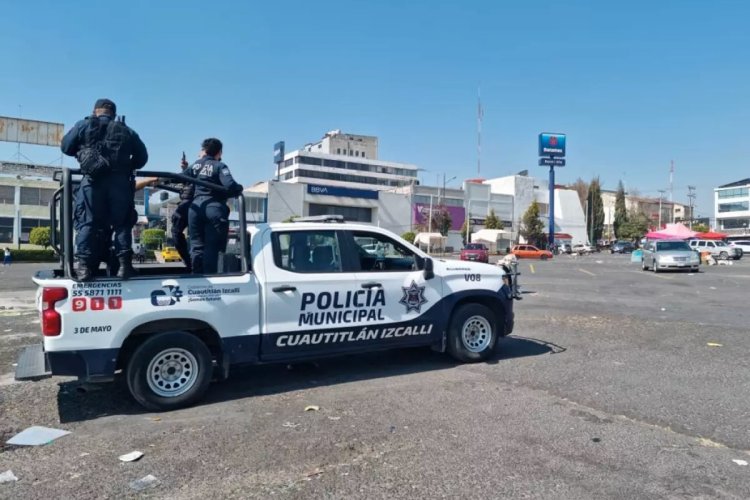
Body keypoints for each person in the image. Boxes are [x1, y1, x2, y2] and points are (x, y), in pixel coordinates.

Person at [61, 98, 148, 281]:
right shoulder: (126, 130)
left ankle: (83, 268)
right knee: (122, 224)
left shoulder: (83, 125)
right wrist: (125, 165)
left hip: (92, 182)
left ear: (95, 111)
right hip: (120, 183)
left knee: (88, 222)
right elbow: (142, 158)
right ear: (114, 114)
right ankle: (124, 267)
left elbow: (66, 147)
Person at [184, 138, 243, 274]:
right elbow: (230, 185)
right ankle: (210, 281)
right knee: (212, 247)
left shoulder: (195, 165)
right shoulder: (219, 166)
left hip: (195, 209)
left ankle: (196, 276)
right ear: (219, 152)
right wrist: (239, 188)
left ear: (204, 150)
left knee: (196, 246)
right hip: (214, 207)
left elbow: (180, 177)